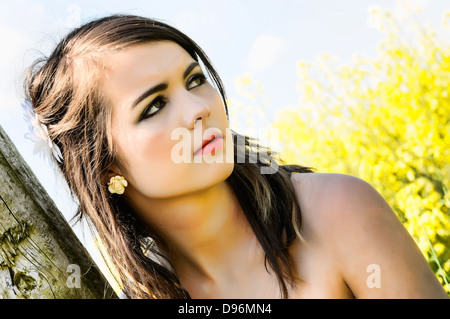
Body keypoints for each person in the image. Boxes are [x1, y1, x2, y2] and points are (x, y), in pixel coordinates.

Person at [23, 14, 448, 299]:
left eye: (194, 80)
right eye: (153, 106)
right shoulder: (148, 293)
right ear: (107, 168)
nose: (197, 109)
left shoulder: (336, 211)